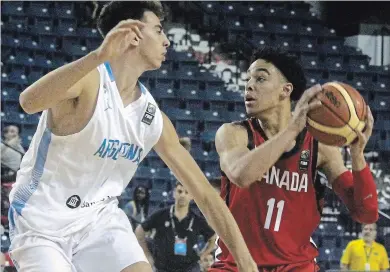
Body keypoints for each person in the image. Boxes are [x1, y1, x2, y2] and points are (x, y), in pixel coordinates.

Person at [8, 1, 257, 272]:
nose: (167, 41)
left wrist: (247, 263)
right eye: (159, 30)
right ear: (134, 34)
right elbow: (28, 102)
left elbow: (206, 196)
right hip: (41, 224)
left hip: (98, 222)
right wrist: (98, 56)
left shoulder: (152, 118)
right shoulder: (89, 81)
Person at [210, 47, 379, 272]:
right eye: (248, 78)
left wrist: (357, 157)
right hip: (236, 265)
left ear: (285, 90)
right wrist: (292, 128)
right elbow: (242, 176)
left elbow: (366, 213)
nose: (249, 85)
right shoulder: (233, 134)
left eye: (260, 78)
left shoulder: (320, 147)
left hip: (296, 266)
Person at [135, 182, 217, 272]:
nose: (182, 195)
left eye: (187, 192)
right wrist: (147, 255)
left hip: (189, 268)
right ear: (174, 193)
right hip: (162, 268)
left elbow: (212, 237)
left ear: (192, 196)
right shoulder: (161, 215)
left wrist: (203, 255)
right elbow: (139, 231)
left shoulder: (197, 220)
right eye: (180, 191)